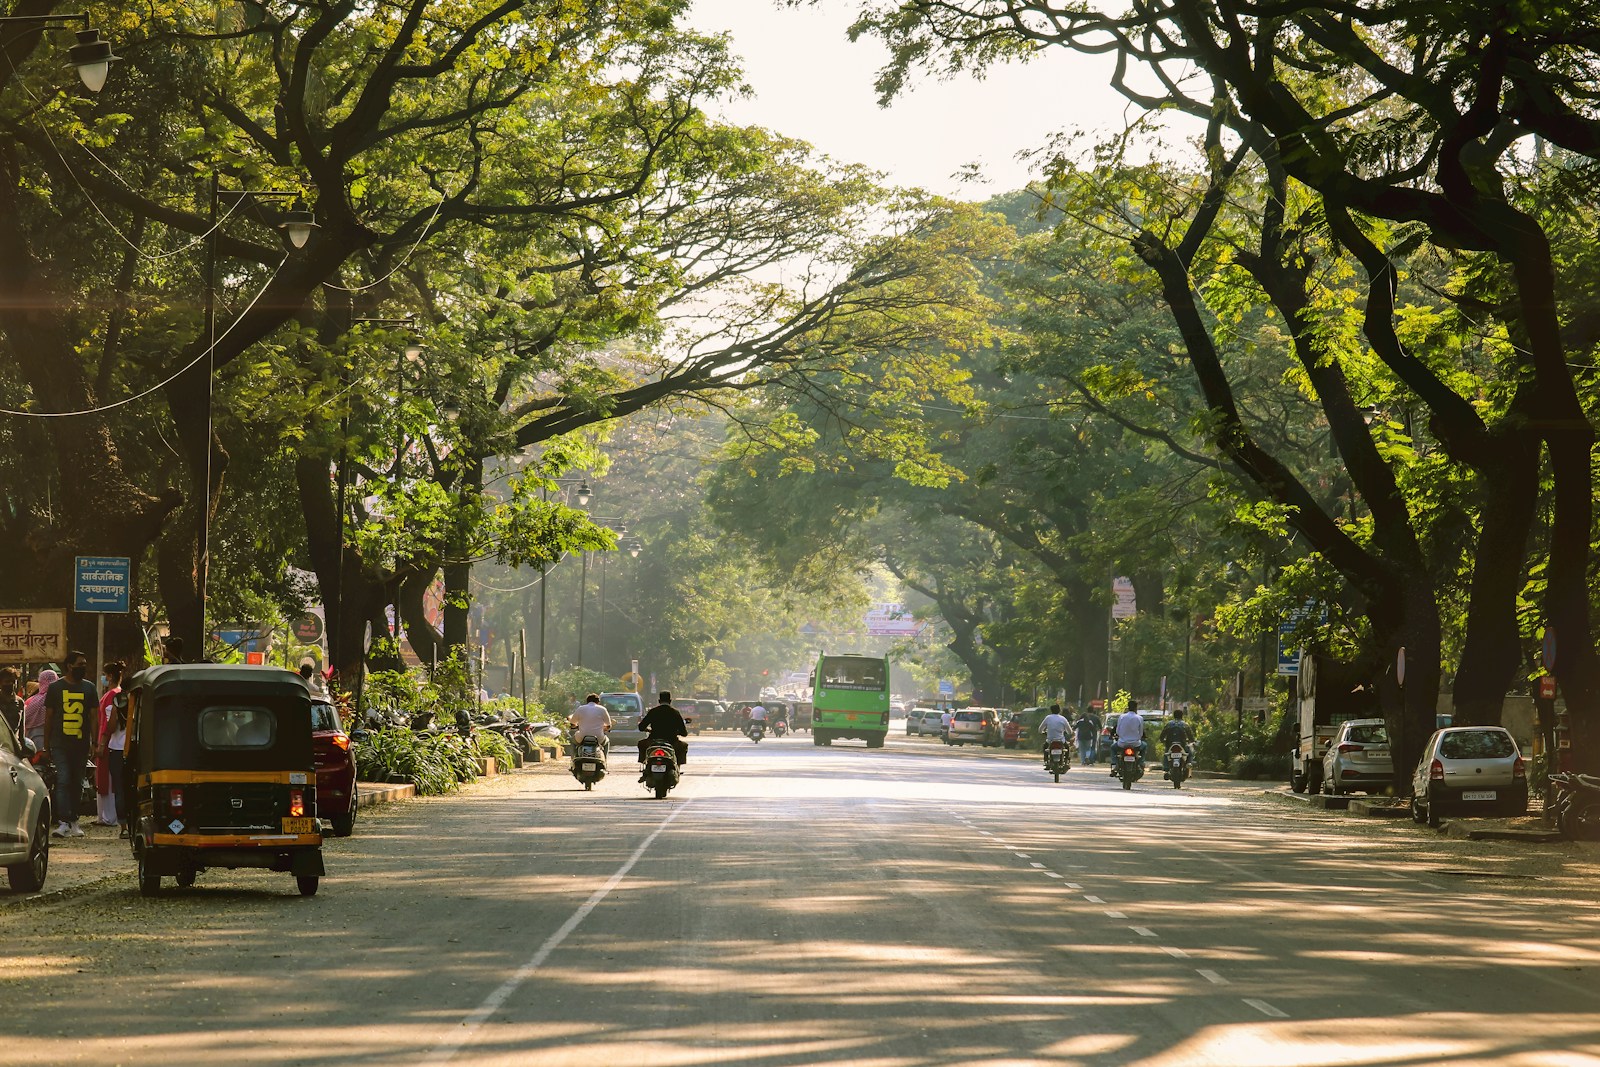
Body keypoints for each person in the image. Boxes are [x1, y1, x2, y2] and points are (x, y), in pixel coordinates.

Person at [43, 651, 97, 838]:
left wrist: (95, 742)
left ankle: (74, 820)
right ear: (69, 666)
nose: (83, 667)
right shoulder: (55, 688)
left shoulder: (90, 688)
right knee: (64, 779)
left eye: (84, 664)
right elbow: (49, 717)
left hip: (81, 744)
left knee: (77, 783)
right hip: (60, 743)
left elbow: (93, 717)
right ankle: (63, 821)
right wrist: (46, 743)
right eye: (79, 664)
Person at [94, 660, 126, 827]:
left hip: (108, 743)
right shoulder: (114, 694)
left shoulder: (112, 695)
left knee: (108, 780)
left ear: (111, 676)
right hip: (106, 741)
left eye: (105, 675)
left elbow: (108, 723)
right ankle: (106, 815)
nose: (103, 678)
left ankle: (109, 816)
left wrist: (101, 743)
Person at [637, 691, 688, 779]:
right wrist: (676, 732)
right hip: (672, 742)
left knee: (641, 744)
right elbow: (684, 732)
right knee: (683, 746)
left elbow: (641, 727)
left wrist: (649, 730)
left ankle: (645, 766)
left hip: (653, 741)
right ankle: (677, 768)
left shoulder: (653, 711)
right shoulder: (675, 712)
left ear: (659, 701)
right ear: (670, 701)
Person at [22, 667, 57, 750]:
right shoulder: (59, 698)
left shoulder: (33, 701)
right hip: (55, 740)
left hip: (33, 739)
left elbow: (25, 720)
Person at [1111, 697, 1146, 775]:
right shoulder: (1139, 718)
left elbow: (1117, 731)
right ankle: (1141, 763)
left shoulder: (1122, 717)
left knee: (1113, 748)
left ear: (1128, 707)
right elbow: (1140, 733)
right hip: (1135, 744)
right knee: (1145, 746)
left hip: (1122, 743)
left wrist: (1121, 737)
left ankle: (1114, 764)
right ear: (1136, 708)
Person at [1159, 708, 1196, 778]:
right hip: (1182, 745)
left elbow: (1162, 735)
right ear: (1182, 716)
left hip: (1170, 745)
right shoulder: (1185, 724)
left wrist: (1162, 740)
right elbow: (1191, 736)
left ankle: (1166, 768)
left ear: (1174, 716)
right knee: (1190, 753)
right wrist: (1192, 741)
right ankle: (1188, 763)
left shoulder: (1169, 724)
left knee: (1166, 753)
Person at [0, 666, 21, 735]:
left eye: (13, 681)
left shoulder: (19, 702)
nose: (11, 684)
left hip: (14, 742)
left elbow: (21, 730)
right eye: (7, 681)